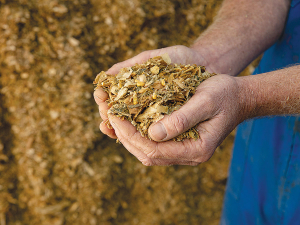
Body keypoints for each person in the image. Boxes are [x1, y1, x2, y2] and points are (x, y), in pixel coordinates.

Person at [94, 0, 300, 223]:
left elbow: (245, 97)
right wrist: (207, 61)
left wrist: (251, 97)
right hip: (271, 130)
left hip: (266, 98)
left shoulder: (247, 97)